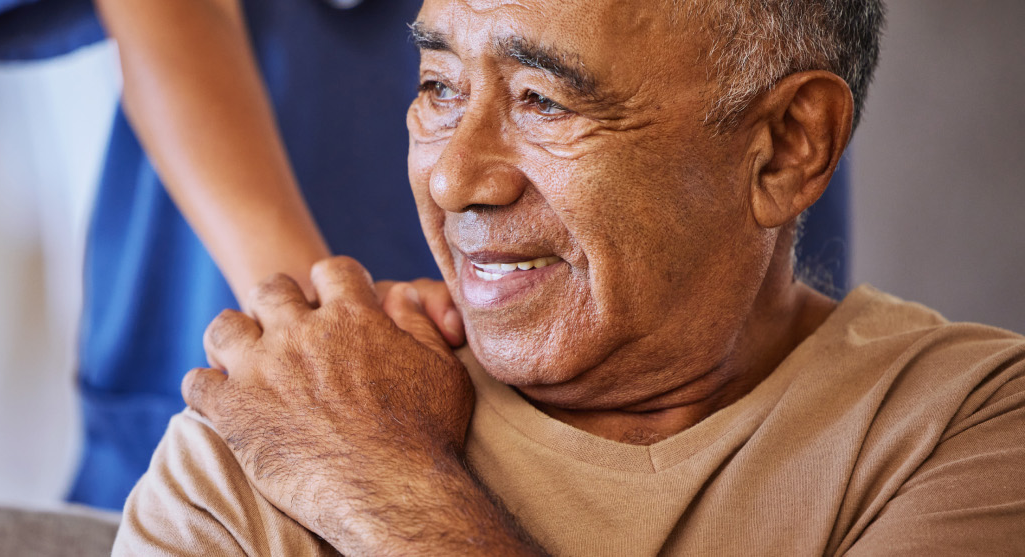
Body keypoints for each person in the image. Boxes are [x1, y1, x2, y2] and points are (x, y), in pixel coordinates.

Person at [114, 0, 1025, 554]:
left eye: (543, 100)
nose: (453, 178)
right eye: (438, 86)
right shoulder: (273, 438)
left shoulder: (968, 426)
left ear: (787, 147)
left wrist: (384, 486)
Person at [0, 0, 851, 510]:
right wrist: (315, 328)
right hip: (276, 188)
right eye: (437, 88)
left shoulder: (946, 429)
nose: (462, 180)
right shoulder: (209, 479)